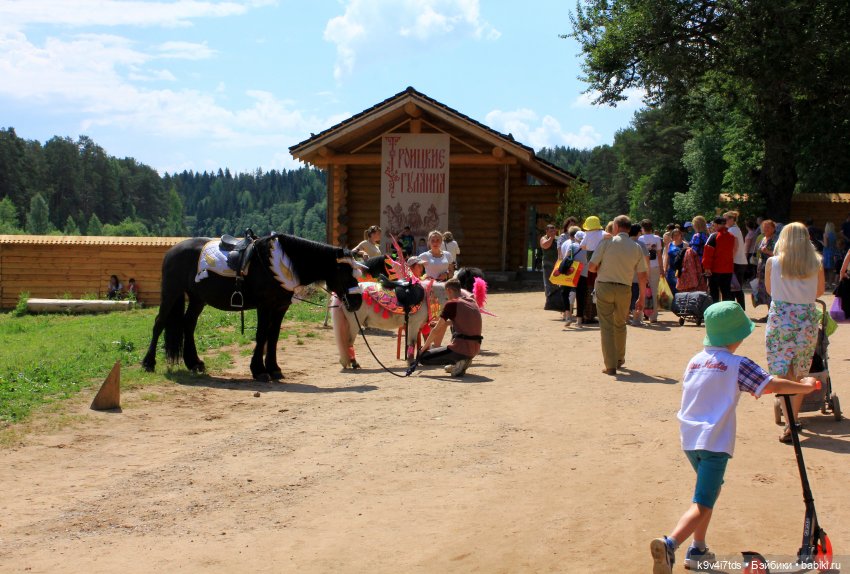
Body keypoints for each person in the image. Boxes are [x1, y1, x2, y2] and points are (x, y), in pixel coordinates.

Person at [650, 301, 819, 574]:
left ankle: (698, 549)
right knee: (703, 502)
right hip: (714, 442)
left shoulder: (695, 361)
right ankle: (670, 544)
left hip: (690, 439)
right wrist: (804, 387)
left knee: (709, 492)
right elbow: (771, 384)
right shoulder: (737, 364)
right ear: (736, 336)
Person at [765, 222, 825, 443]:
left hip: (781, 319)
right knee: (799, 373)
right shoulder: (816, 263)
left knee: (782, 372)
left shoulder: (773, 262)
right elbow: (819, 291)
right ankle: (793, 421)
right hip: (806, 320)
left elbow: (770, 290)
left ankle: (789, 420)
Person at [588, 215, 648, 375]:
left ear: (615, 227)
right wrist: (641, 297)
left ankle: (610, 365)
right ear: (629, 228)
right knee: (620, 324)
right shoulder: (636, 247)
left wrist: (601, 267)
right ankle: (620, 359)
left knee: (606, 326)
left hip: (605, 286)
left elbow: (592, 267)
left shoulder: (606, 243)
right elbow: (643, 275)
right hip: (624, 288)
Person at [418, 278, 482, 377]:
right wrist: (443, 323)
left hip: (461, 348)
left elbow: (435, 331)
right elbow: (462, 321)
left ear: (449, 290)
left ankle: (460, 360)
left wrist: (423, 349)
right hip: (475, 348)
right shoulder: (472, 301)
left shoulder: (451, 304)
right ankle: (460, 362)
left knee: (423, 357)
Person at [554, 226, 587, 326]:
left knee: (565, 293)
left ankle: (568, 315)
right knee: (580, 296)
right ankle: (579, 320)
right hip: (583, 273)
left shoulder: (570, 245)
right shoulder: (587, 248)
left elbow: (565, 258)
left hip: (570, 272)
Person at [702, 217, 736, 305]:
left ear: (716, 225)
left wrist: (706, 267)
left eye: (714, 225)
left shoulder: (714, 236)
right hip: (728, 269)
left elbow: (707, 252)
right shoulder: (731, 236)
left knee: (714, 292)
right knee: (726, 291)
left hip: (715, 269)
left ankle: (715, 310)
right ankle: (726, 310)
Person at [638, 219, 663, 323]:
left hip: (642, 267)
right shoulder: (657, 238)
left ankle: (640, 315)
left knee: (642, 290)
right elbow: (659, 255)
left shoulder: (640, 239)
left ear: (642, 228)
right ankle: (653, 316)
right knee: (654, 290)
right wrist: (662, 268)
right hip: (655, 266)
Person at [724, 211, 747, 309]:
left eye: (725, 219)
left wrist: (729, 259)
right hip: (740, 262)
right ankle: (740, 309)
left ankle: (737, 309)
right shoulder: (736, 229)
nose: (724, 221)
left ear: (732, 219)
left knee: (734, 288)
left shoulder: (732, 230)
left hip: (735, 262)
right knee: (737, 288)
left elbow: (735, 247)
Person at [628, 223, 650, 325]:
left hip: (626, 275)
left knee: (628, 298)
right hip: (638, 275)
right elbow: (646, 260)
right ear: (638, 232)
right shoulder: (640, 244)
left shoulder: (625, 243)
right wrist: (647, 274)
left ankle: (626, 318)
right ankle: (637, 319)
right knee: (637, 297)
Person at [752, 219, 776, 310]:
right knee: (764, 290)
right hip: (761, 268)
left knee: (770, 289)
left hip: (771, 267)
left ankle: (771, 311)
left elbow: (779, 254)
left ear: (773, 228)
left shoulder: (776, 240)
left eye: (768, 227)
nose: (766, 229)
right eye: (764, 227)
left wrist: (768, 252)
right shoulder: (763, 238)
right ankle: (768, 311)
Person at [539, 223, 560, 309]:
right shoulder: (543, 238)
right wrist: (551, 237)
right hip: (547, 264)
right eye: (551, 231)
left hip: (557, 265)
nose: (553, 233)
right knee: (548, 284)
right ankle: (549, 303)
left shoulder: (557, 239)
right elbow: (545, 246)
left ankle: (556, 302)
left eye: (554, 231)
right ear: (546, 231)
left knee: (556, 284)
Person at [664, 228, 686, 299]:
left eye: (677, 235)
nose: (676, 236)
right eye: (674, 235)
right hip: (671, 270)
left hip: (680, 270)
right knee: (671, 287)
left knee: (679, 288)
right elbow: (667, 257)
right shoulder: (669, 244)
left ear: (680, 235)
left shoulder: (685, 245)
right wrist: (665, 269)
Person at [822, 221, 837, 287]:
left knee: (825, 269)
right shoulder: (834, 235)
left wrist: (821, 242)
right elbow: (835, 245)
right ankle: (830, 283)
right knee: (831, 269)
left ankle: (826, 283)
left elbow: (826, 245)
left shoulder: (826, 234)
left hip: (827, 253)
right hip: (832, 252)